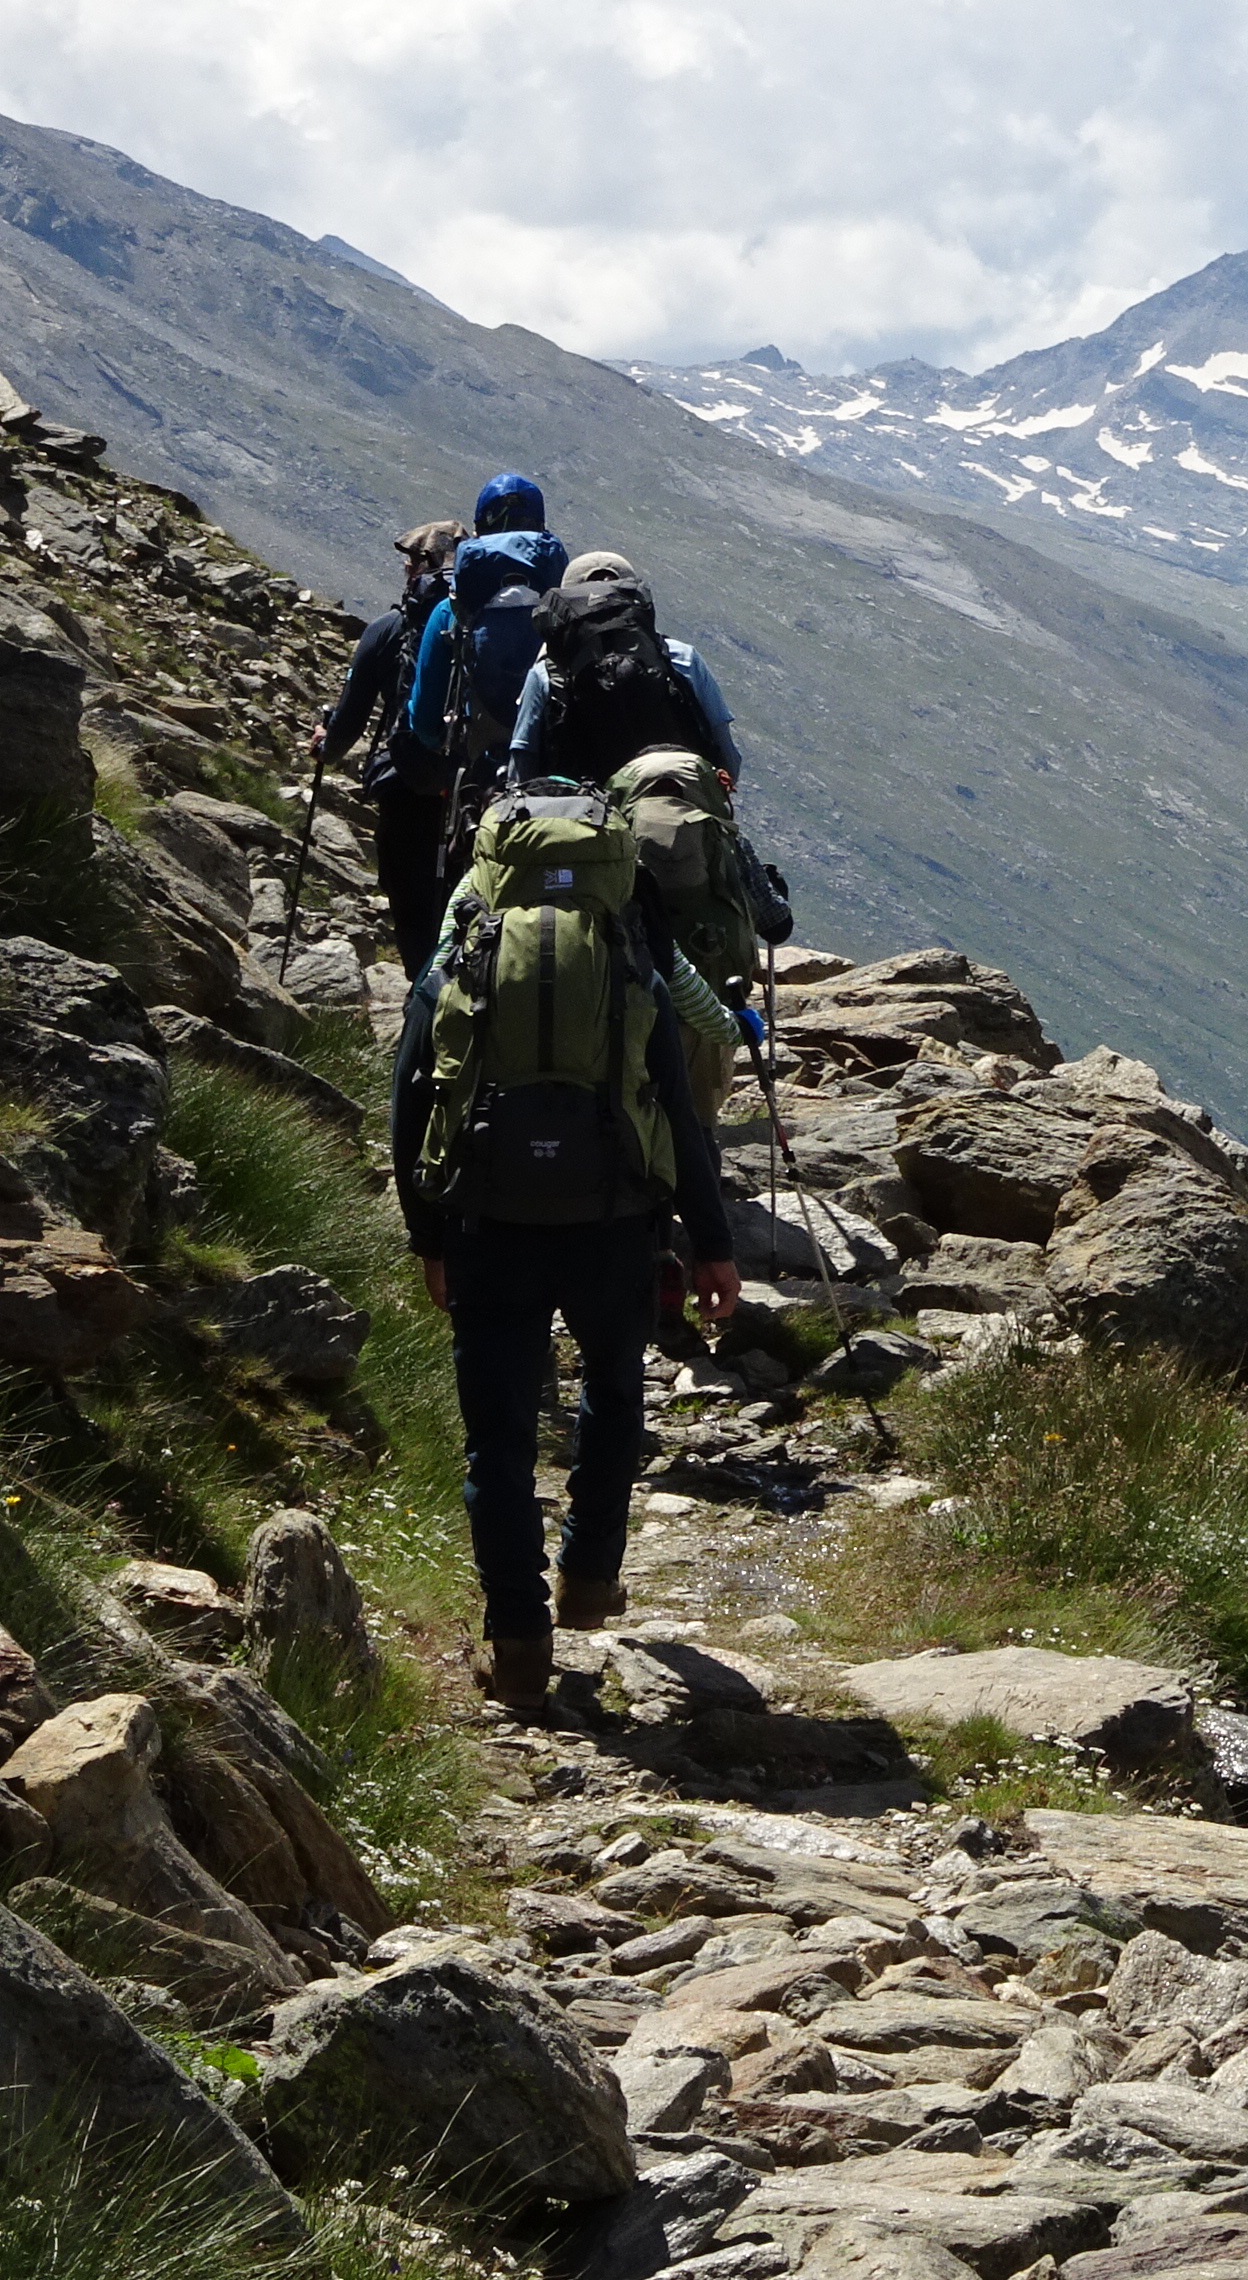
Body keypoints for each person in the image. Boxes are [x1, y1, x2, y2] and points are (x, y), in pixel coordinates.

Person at [391, 783, 739, 1717]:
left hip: (488, 1223)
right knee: (615, 1390)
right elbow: (676, 1103)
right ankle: (590, 1570)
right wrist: (713, 1244)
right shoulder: (629, 958)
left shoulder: (466, 946)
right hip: (614, 1218)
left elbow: (411, 1093)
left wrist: (430, 1232)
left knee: (497, 1438)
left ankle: (517, 1644)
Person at [314, 519, 460, 969]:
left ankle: (421, 1011)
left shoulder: (388, 630)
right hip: (471, 796)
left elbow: (348, 724)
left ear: (421, 565)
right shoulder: (487, 629)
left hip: (407, 786)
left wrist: (325, 747)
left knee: (413, 913)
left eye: (410, 560)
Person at [402, 473, 569, 825]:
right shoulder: (566, 605)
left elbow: (424, 720)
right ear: (541, 526)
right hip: (560, 780)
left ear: (478, 529)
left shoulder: (452, 607)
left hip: (483, 777)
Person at [510, 552, 747, 784]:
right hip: (672, 799)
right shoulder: (682, 657)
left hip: (583, 808)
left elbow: (523, 761)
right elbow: (725, 753)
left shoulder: (547, 673)